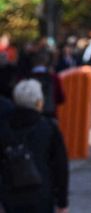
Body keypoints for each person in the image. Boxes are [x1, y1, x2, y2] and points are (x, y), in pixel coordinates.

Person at [0, 79, 69, 213]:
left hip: (10, 194)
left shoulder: (4, 128)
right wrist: (62, 202)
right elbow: (61, 167)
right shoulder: (49, 127)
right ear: (39, 102)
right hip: (41, 193)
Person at [27, 50, 64, 120]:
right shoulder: (54, 78)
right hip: (49, 116)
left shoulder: (27, 77)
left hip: (30, 117)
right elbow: (60, 98)